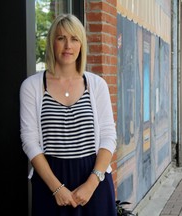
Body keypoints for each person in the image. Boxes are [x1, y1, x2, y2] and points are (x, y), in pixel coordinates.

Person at [19, 14, 117, 216]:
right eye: (61, 38)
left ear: (81, 44)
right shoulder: (32, 86)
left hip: (93, 179)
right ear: (52, 43)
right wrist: (56, 188)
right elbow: (29, 141)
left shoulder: (96, 85)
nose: (67, 46)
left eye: (74, 39)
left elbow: (108, 136)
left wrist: (91, 183)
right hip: (50, 181)